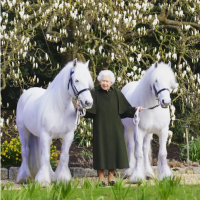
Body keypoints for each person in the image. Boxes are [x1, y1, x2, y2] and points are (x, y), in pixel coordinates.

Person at [79, 70, 142, 187]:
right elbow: (88, 111)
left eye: (107, 81)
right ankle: (101, 178)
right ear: (100, 81)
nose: (105, 83)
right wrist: (80, 108)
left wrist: (135, 110)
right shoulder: (94, 93)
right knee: (101, 153)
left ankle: (111, 176)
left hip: (115, 128)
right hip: (100, 127)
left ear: (111, 82)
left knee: (114, 152)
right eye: (103, 81)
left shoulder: (117, 93)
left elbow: (125, 109)